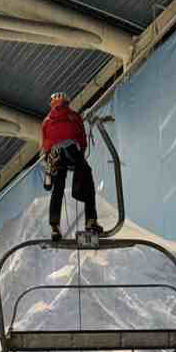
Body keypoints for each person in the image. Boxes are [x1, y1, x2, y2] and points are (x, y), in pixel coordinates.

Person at [41, 91, 99, 240]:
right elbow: (82, 138)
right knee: (87, 175)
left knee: (58, 187)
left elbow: (45, 144)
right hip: (73, 152)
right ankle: (90, 220)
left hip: (56, 154)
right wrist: (80, 158)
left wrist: (48, 156)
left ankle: (54, 227)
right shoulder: (74, 116)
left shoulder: (47, 121)